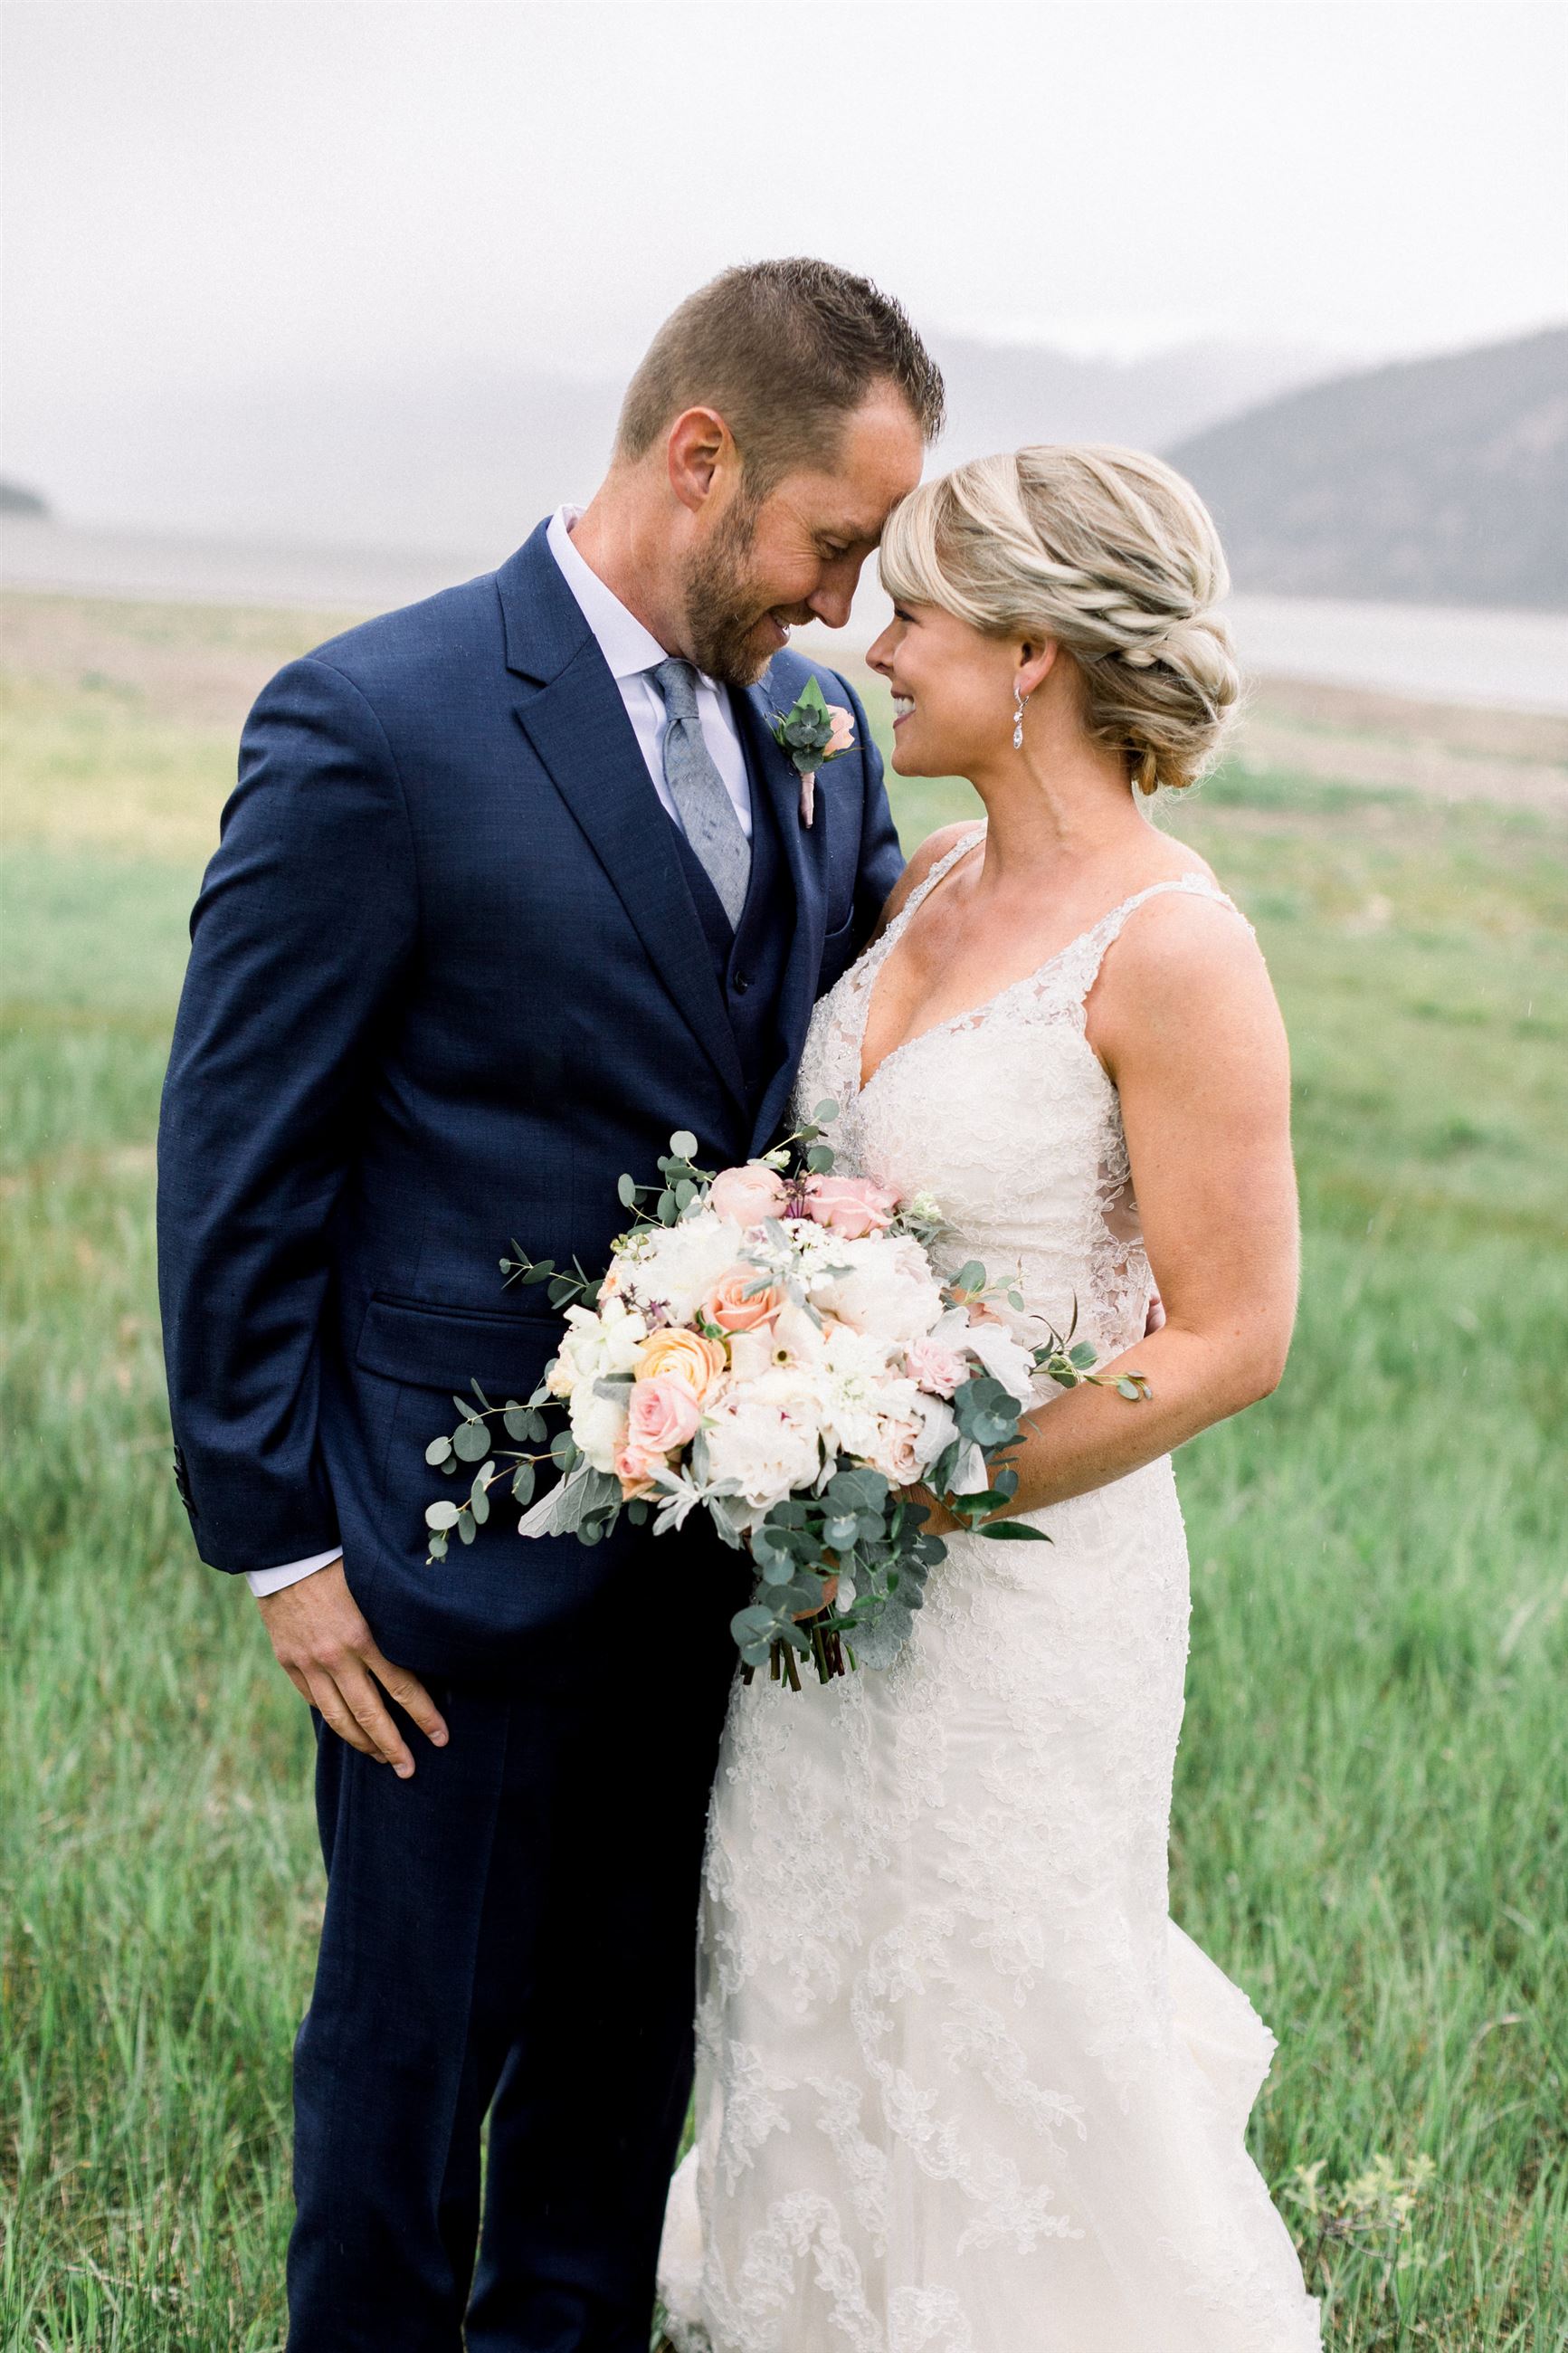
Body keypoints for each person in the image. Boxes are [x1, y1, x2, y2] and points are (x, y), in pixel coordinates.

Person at [157, 257, 943, 2352]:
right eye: (831, 543)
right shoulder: (377, 721)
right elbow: (240, 1161)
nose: (847, 609)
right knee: (408, 2076)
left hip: (705, 1555)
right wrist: (281, 1542)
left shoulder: (820, 734)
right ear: (703, 460)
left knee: (616, 2068)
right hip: (434, 1561)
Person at [658, 445, 1322, 2349]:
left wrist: (931, 1480)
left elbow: (1232, 1333)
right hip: (826, 1594)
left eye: (918, 610)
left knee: (998, 1998)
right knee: (811, 1967)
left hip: (1022, 1595)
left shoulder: (1175, 947)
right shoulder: (934, 869)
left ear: (1034, 650)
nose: (872, 644)